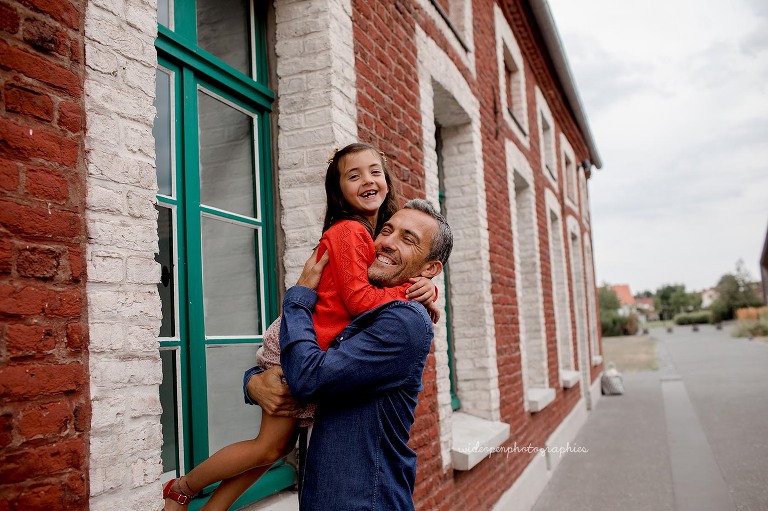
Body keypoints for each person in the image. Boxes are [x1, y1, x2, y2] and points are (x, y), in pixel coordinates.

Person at [162, 144, 440, 510]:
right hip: (298, 336)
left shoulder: (373, 238)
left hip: (310, 339)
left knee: (273, 448)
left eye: (375, 171)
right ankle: (181, 489)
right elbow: (360, 300)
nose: (368, 180)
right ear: (338, 189)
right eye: (353, 175)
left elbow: (379, 285)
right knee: (267, 446)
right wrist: (410, 292)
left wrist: (426, 288)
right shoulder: (349, 232)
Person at [245, 199, 454, 511]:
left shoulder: (403, 321)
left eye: (407, 239)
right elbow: (307, 360)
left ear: (429, 269)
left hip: (362, 502)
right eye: (386, 230)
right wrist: (253, 382)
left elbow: (307, 377)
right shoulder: (361, 301)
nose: (387, 243)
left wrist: (299, 297)